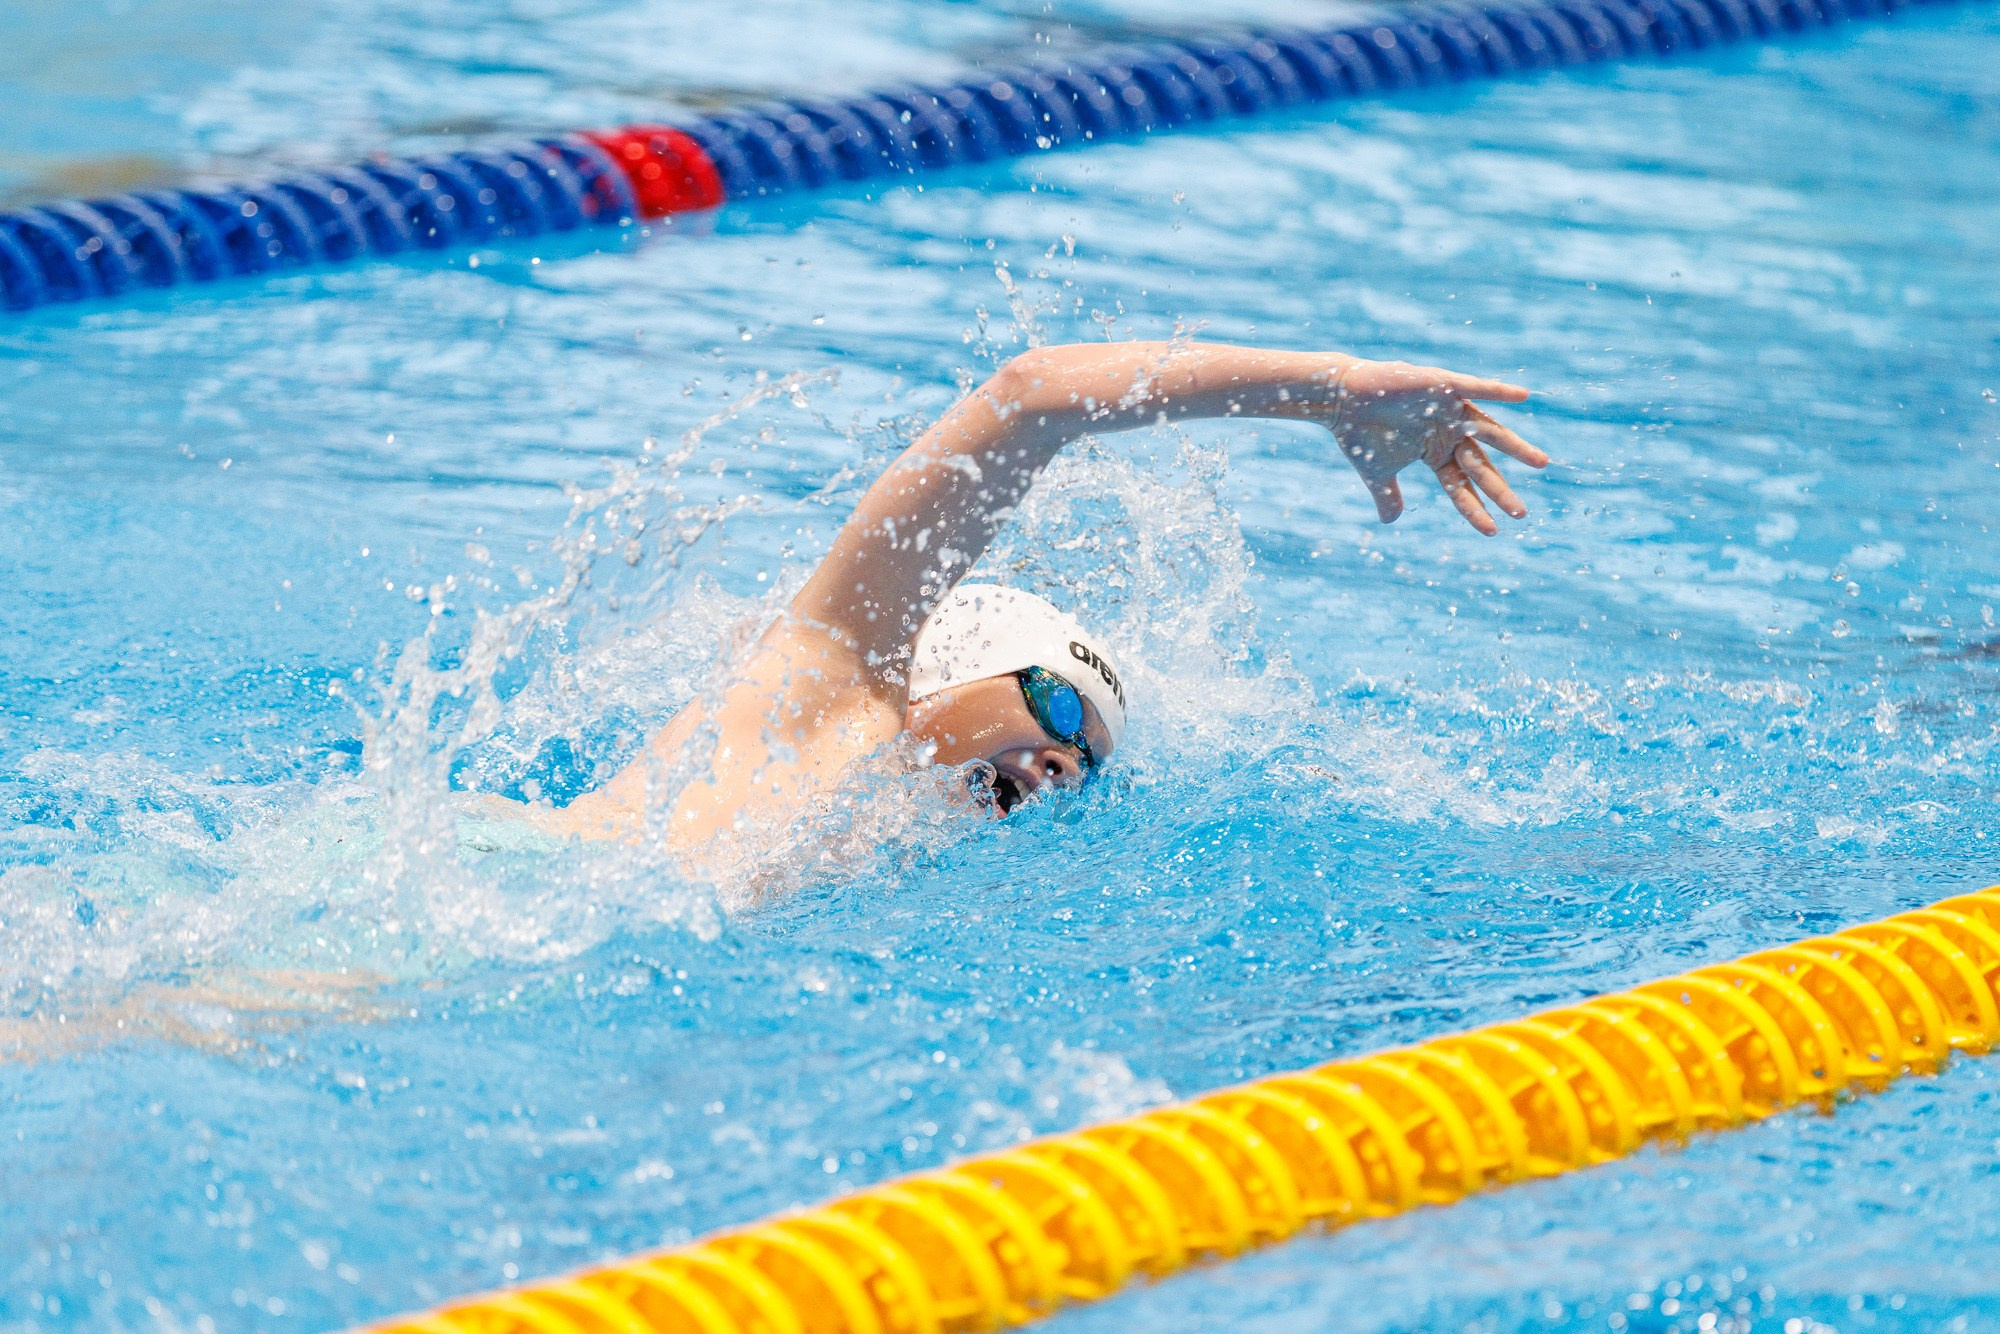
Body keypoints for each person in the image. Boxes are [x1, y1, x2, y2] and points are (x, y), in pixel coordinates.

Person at [552, 340, 1547, 852]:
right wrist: (1330, 388)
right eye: (1057, 705)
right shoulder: (831, 681)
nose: (1060, 759)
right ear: (958, 666)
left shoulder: (880, 840)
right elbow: (1030, 396)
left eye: (1083, 757)